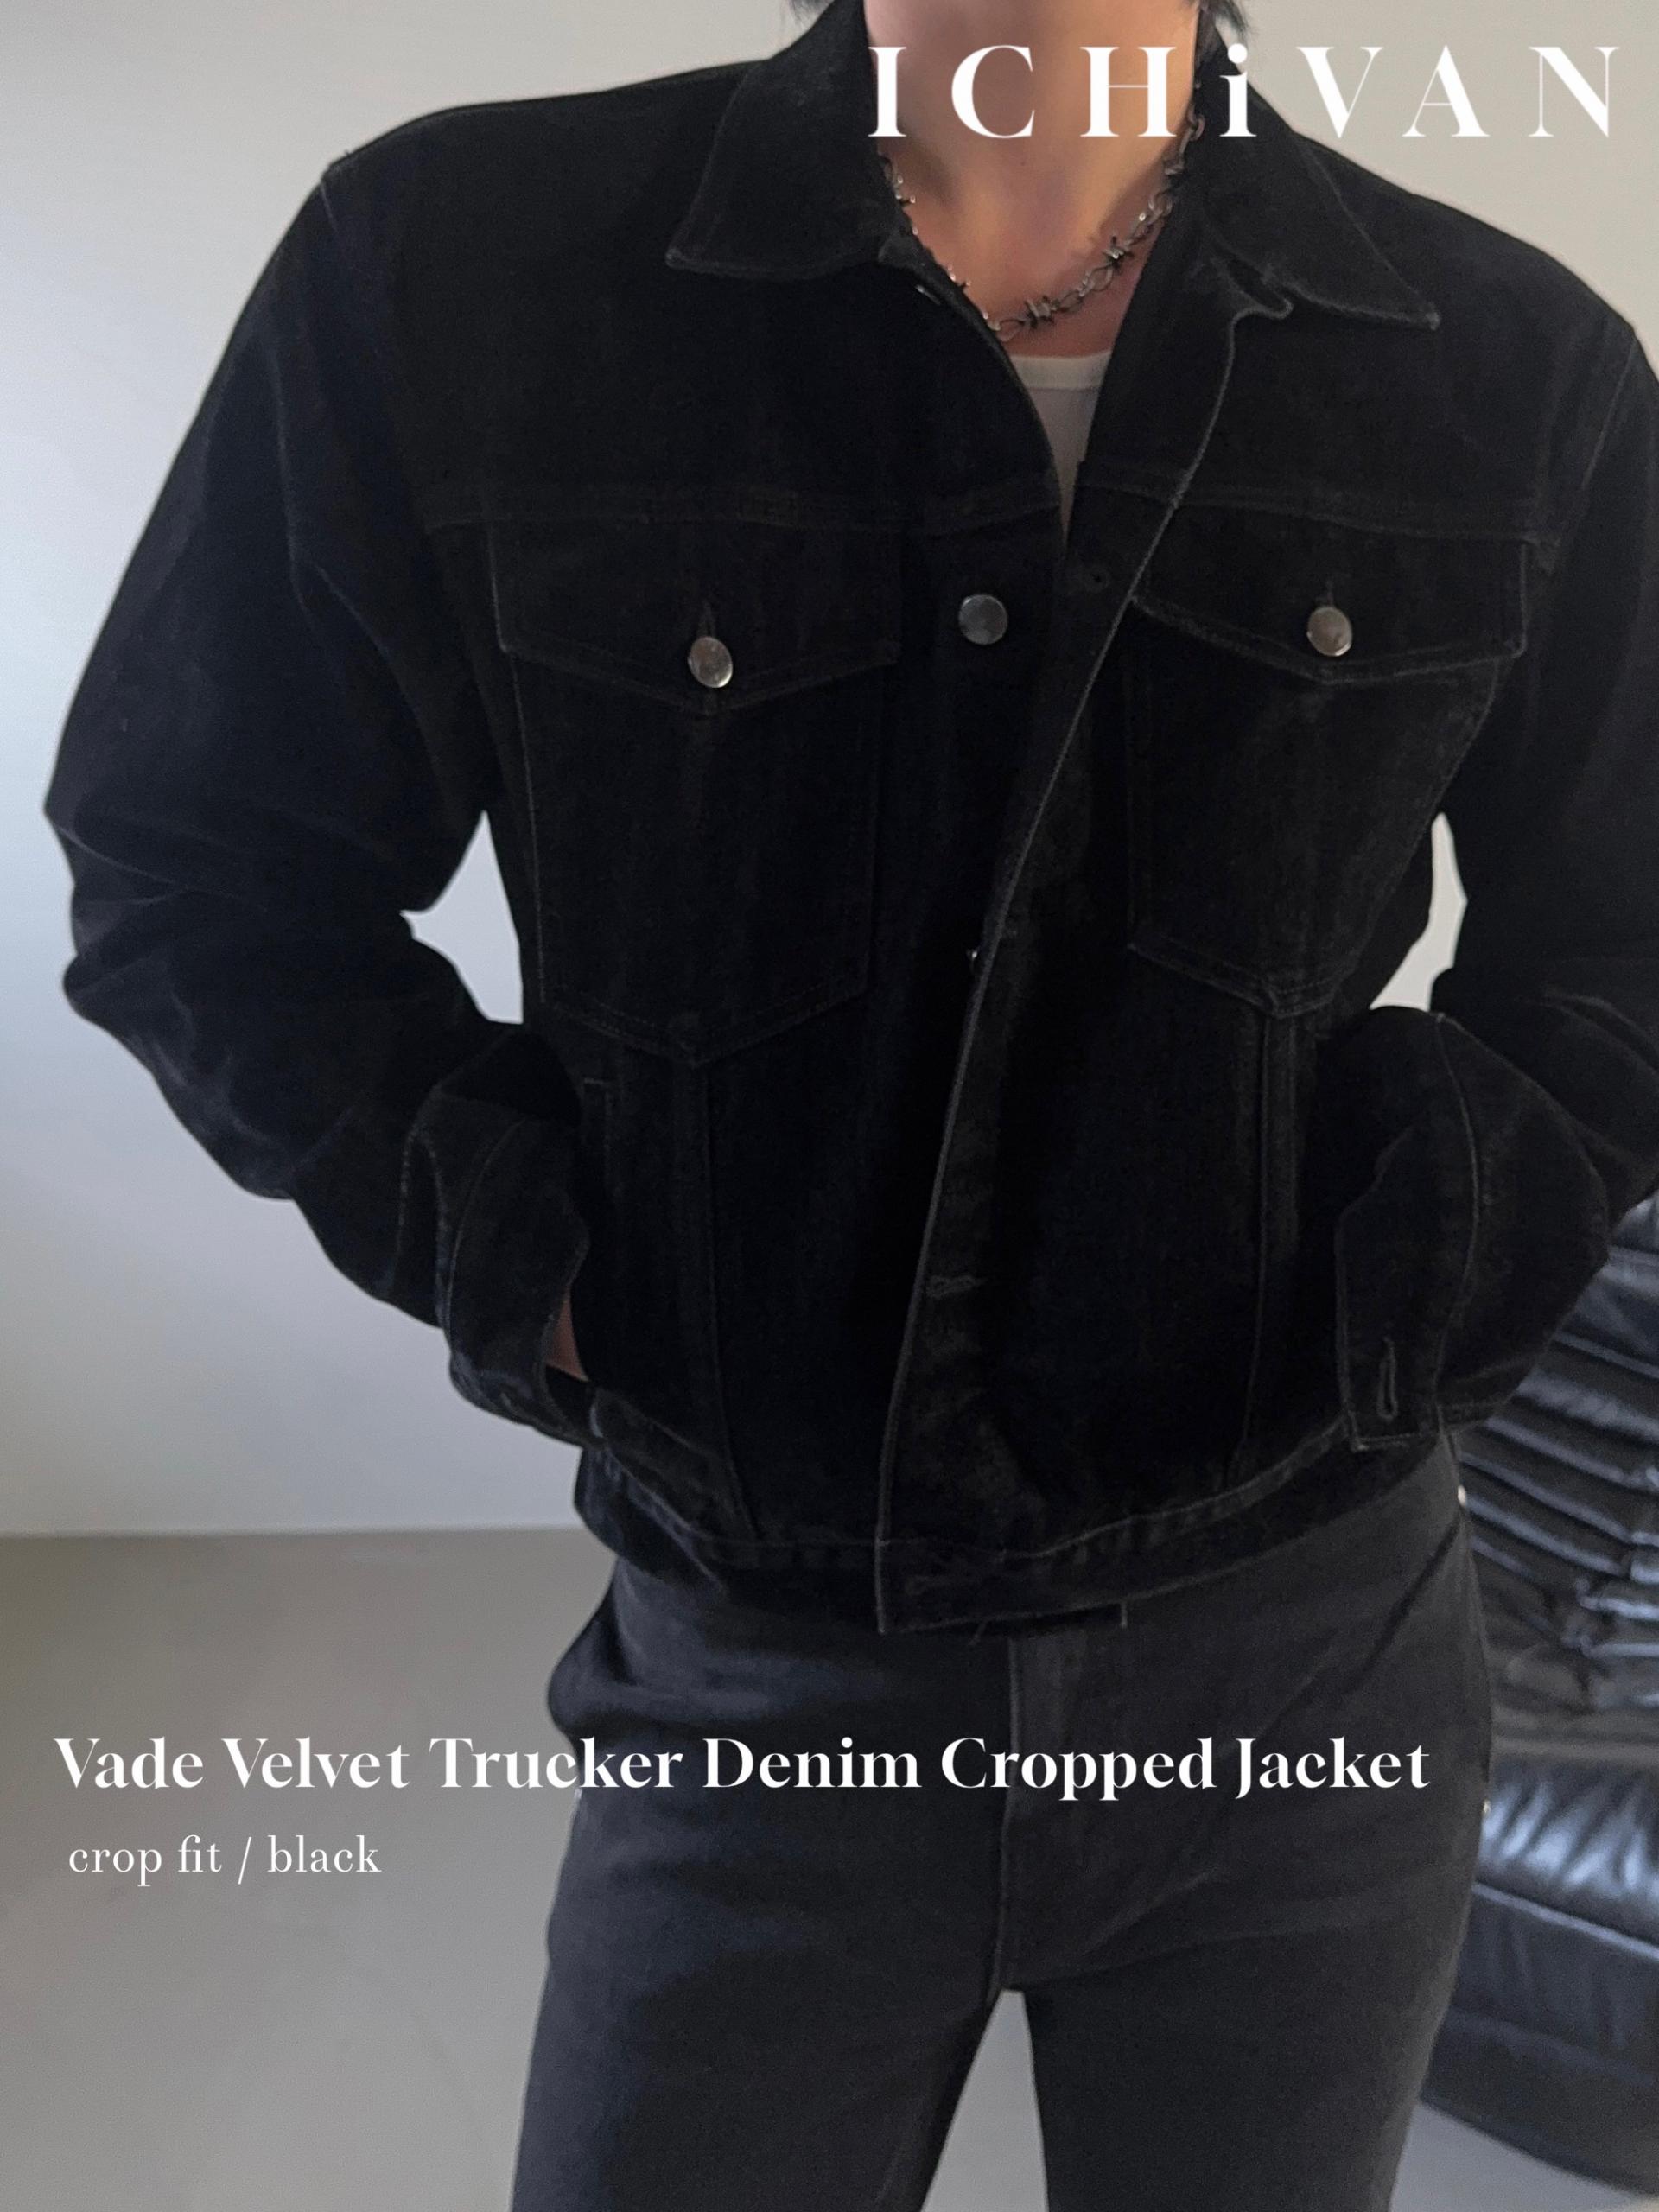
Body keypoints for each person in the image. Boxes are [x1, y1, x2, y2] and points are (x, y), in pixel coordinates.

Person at [43, 0, 1659, 2202]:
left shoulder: (1516, 369)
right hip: (759, 1665)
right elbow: (198, 855)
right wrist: (531, 1257)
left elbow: (1623, 949)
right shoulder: (456, 269)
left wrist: (1415, 1271)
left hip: (1308, 1671)